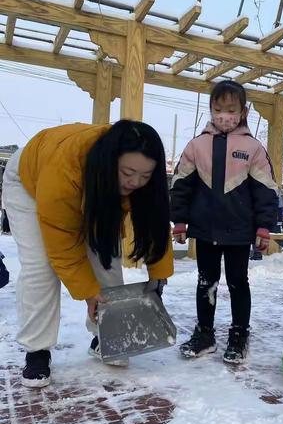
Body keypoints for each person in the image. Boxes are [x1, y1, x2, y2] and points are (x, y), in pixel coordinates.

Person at [2, 121, 174, 387]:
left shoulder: (136, 181)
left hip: (90, 185)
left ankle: (106, 335)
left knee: (106, 253)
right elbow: (63, 245)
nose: (136, 182)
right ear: (109, 161)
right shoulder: (66, 169)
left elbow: (155, 225)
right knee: (42, 266)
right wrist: (88, 292)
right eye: (128, 172)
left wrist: (158, 278)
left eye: (145, 176)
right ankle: (37, 350)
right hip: (29, 183)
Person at [171, 80, 278, 364]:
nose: (224, 115)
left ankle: (239, 334)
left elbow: (266, 190)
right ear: (211, 109)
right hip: (205, 231)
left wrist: (264, 226)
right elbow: (181, 184)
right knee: (206, 282)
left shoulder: (253, 148)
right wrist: (179, 220)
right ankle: (204, 333)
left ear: (243, 111)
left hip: (239, 233)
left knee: (237, 283)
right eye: (218, 109)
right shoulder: (197, 145)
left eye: (230, 109)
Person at [250, 193, 283, 262]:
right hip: (269, 218)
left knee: (277, 237)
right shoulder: (269, 191)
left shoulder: (272, 192)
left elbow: (278, 207)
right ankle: (257, 254)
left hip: (272, 219)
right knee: (256, 233)